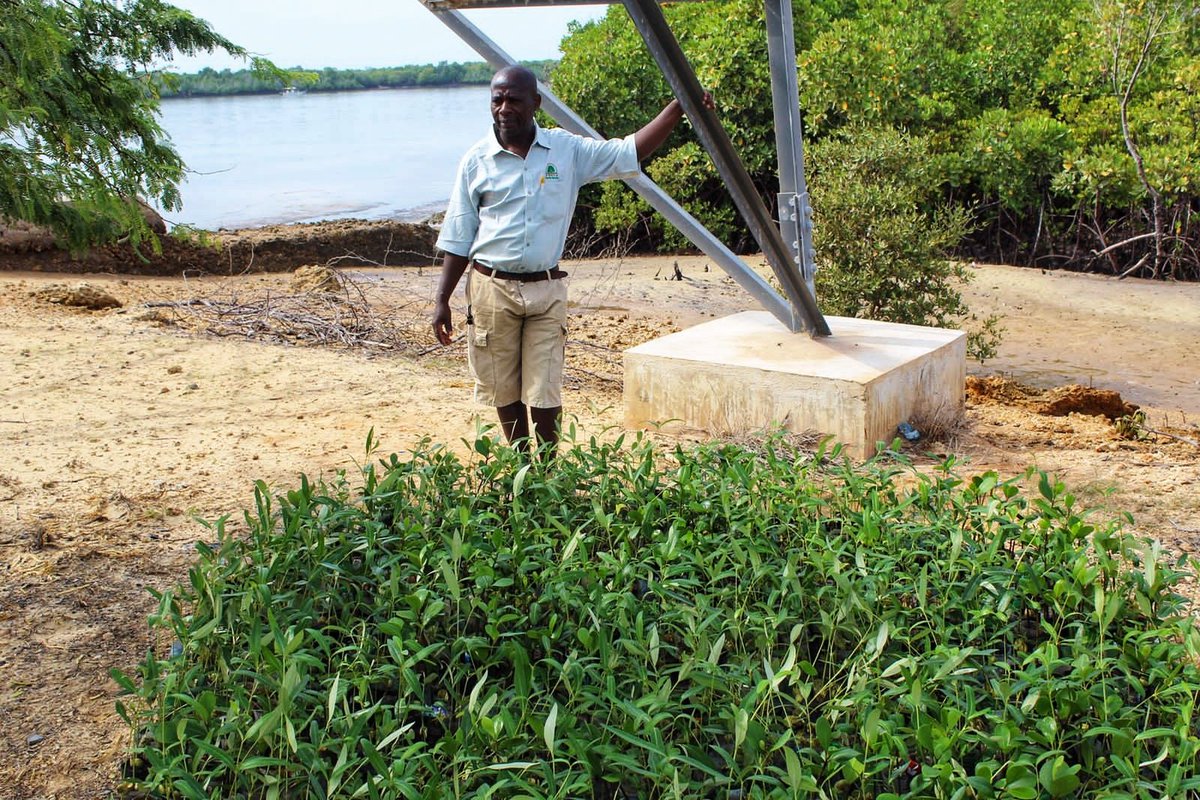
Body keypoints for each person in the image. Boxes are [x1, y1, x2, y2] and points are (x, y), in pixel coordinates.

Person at [432, 65, 712, 452]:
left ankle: (547, 469)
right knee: (502, 386)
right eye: (497, 100)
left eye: (514, 100)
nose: (504, 108)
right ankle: (522, 465)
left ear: (536, 103)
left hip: (546, 290)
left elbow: (629, 151)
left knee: (545, 388)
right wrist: (442, 300)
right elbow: (459, 234)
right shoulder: (476, 161)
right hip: (490, 289)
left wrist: (678, 108)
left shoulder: (566, 151)